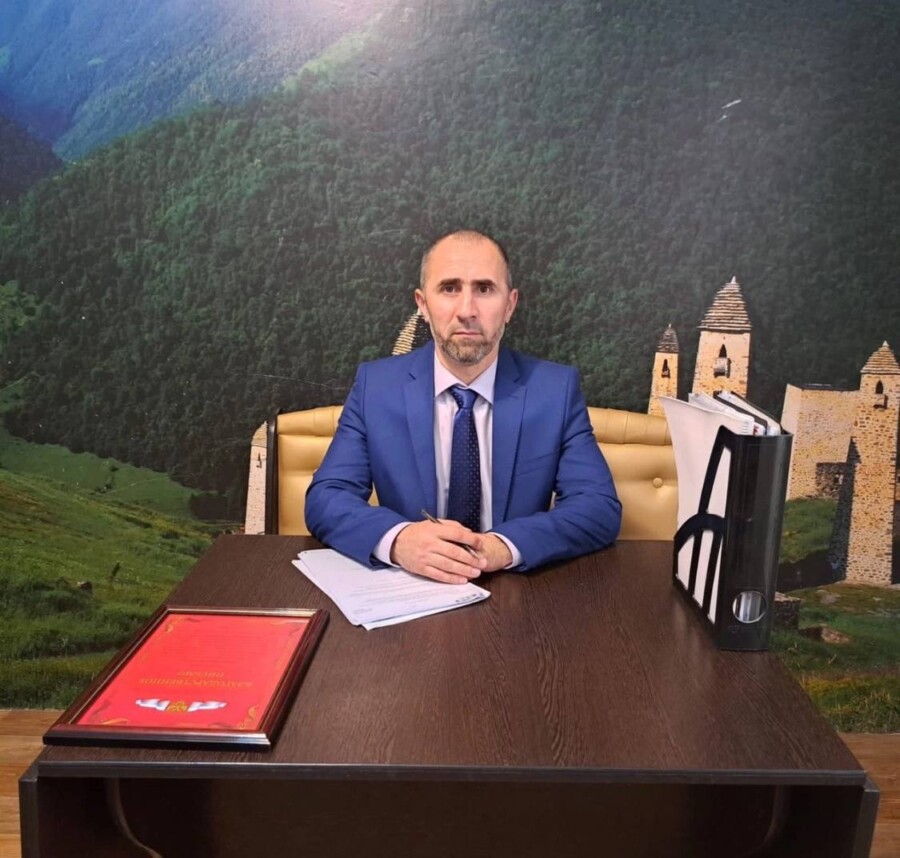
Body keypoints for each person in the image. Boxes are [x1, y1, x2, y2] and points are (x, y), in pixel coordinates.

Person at [305, 230, 621, 583]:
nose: (467, 311)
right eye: (449, 288)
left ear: (510, 305)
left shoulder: (555, 391)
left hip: (515, 589)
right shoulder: (376, 387)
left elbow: (597, 506)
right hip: (410, 590)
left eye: (484, 289)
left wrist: (502, 547)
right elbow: (327, 497)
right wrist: (399, 541)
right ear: (422, 304)